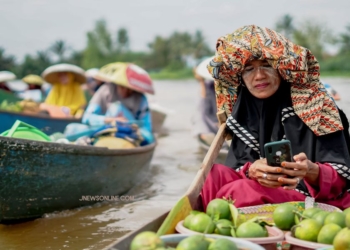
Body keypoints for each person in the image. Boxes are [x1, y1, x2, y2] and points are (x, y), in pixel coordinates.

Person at [200, 25, 350, 210]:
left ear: (282, 68)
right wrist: (252, 171)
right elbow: (237, 166)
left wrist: (311, 171)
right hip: (265, 190)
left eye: (266, 65)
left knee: (239, 190)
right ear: (240, 77)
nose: (259, 76)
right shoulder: (245, 109)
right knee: (212, 175)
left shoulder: (316, 105)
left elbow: (342, 179)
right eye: (248, 69)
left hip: (312, 201)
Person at [192, 57, 219, 146]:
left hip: (217, 122)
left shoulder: (212, 84)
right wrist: (202, 82)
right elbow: (202, 109)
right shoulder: (206, 85)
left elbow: (202, 107)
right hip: (211, 123)